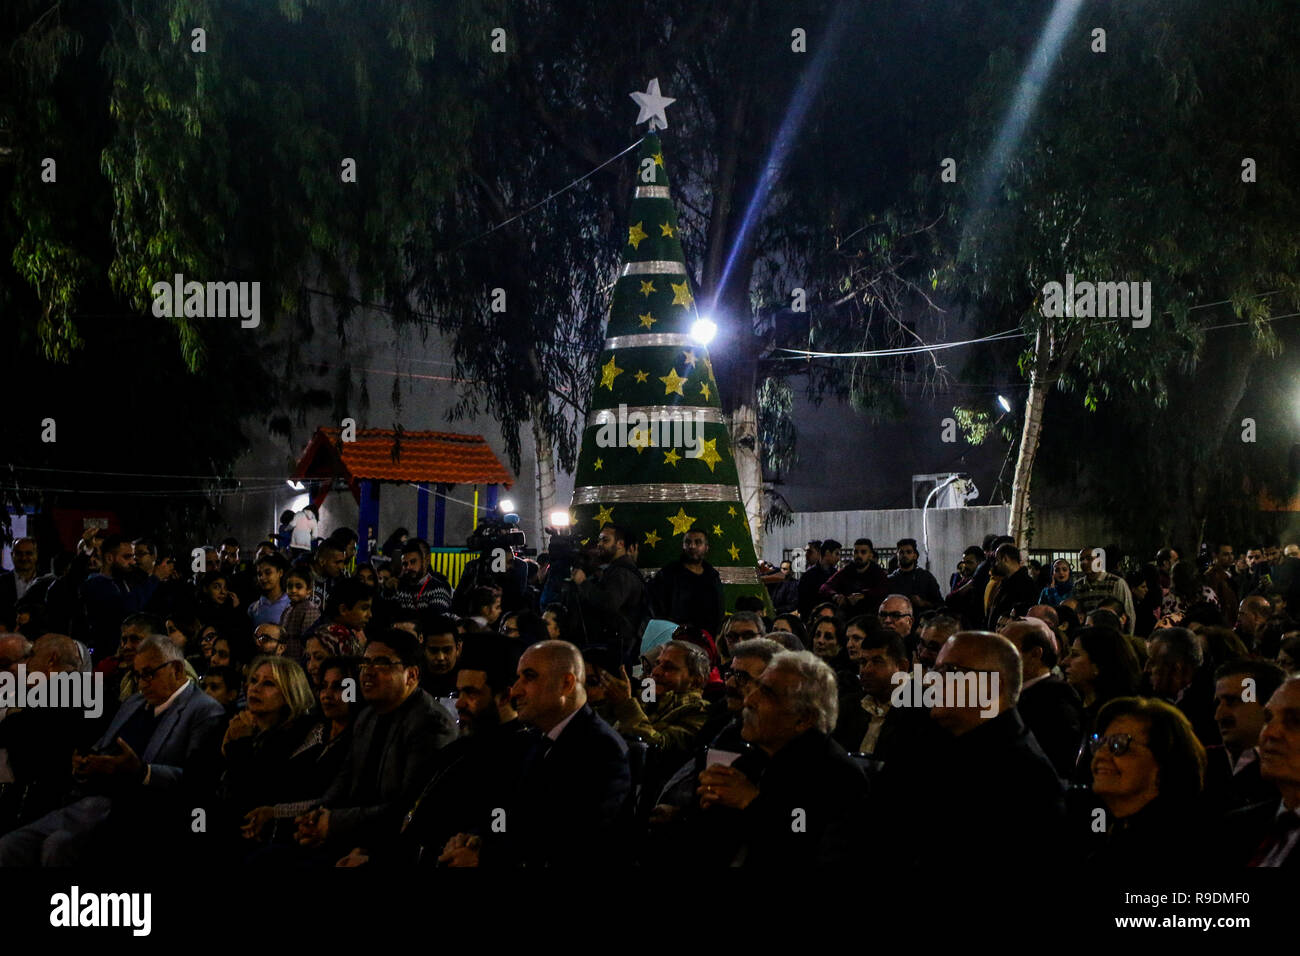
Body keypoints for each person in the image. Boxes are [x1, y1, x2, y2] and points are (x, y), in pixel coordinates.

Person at [0, 635, 226, 866]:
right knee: (9, 845)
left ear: (176, 669)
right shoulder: (134, 703)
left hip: (145, 812)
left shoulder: (204, 711)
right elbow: (102, 747)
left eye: (149, 674)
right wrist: (85, 763)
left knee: (57, 846)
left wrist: (142, 772)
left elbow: (198, 783)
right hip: (94, 802)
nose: (142, 684)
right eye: (137, 676)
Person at [438, 640, 631, 867]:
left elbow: (572, 844)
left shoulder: (601, 752)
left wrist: (486, 856)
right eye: (518, 677)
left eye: (529, 677)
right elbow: (505, 813)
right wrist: (475, 839)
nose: (516, 690)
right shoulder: (537, 740)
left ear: (566, 684)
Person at [886, 631, 1067, 867]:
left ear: (993, 687)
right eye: (935, 671)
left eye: (949, 671)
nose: (930, 681)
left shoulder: (1022, 777)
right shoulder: (935, 742)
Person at [693, 650, 871, 867]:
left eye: (767, 693)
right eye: (755, 687)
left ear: (803, 718)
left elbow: (806, 842)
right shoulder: (751, 762)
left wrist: (750, 802)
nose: (749, 700)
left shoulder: (837, 778)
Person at [292, 629, 456, 860]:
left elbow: (409, 808)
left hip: (390, 847)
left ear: (411, 675)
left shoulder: (431, 725)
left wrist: (333, 823)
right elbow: (346, 778)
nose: (368, 672)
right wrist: (317, 814)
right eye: (365, 662)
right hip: (350, 831)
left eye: (381, 663)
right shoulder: (367, 716)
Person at [379, 636, 532, 866]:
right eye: (458, 693)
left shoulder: (522, 757)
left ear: (505, 696)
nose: (459, 704)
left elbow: (500, 824)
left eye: (471, 693)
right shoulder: (458, 749)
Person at [1081, 697, 1207, 867]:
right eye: (1099, 743)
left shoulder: (1172, 847)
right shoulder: (1106, 828)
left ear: (1163, 764)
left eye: (1119, 744)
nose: (1100, 755)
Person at [598, 639, 711, 768]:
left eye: (669, 668)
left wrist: (626, 706)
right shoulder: (649, 696)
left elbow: (659, 751)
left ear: (696, 680)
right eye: (657, 664)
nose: (656, 672)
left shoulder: (698, 711)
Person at [1000, 617, 1083, 778]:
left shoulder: (1056, 699)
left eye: (1006, 650)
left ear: (1035, 654)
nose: (996, 657)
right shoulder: (1012, 692)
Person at [1203, 660, 1286, 813]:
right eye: (1218, 703)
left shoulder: (1286, 771)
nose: (1219, 715)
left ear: (1269, 706)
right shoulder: (1200, 762)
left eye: (1233, 701)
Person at [1065, 626, 1144, 778]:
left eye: (1075, 655)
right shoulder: (1078, 706)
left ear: (1098, 665)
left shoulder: (1117, 720)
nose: (1065, 661)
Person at [570, 523, 649, 665]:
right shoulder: (615, 570)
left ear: (620, 544)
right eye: (599, 540)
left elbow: (609, 603)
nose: (599, 544)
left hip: (619, 648)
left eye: (605, 540)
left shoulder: (622, 573)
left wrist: (583, 583)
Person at [1145, 627, 1218, 746]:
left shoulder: (1210, 705)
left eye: (1153, 663)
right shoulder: (1149, 693)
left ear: (1176, 669)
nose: (1146, 669)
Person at [648, 527, 725, 636]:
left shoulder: (712, 576)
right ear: (683, 546)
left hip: (706, 639)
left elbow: (718, 611)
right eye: (688, 542)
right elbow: (655, 607)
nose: (692, 546)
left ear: (706, 547)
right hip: (675, 639)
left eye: (698, 542)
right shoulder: (668, 574)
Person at [819, 538, 890, 615]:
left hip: (870, 617)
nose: (859, 555)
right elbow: (825, 587)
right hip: (848, 617)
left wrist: (863, 595)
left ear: (870, 555)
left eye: (863, 552)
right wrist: (835, 596)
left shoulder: (877, 572)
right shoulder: (847, 570)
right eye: (856, 552)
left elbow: (883, 590)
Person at [1072, 547, 1136, 626]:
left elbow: (1129, 614)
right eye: (1081, 559)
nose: (1084, 562)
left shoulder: (1116, 582)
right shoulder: (1078, 585)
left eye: (1089, 558)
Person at [886, 538, 943, 612]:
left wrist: (923, 603)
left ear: (915, 556)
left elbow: (940, 604)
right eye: (901, 552)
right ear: (897, 555)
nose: (905, 555)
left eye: (909, 552)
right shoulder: (890, 580)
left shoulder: (926, 577)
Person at [797, 539, 840, 619]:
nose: (838, 558)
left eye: (809, 552)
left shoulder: (835, 574)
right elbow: (802, 604)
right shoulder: (808, 575)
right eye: (836, 554)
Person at [421, 615, 462, 697]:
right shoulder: (413, 682)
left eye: (447, 650)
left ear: (458, 648)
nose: (441, 657)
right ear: (423, 649)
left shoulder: (468, 681)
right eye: (434, 650)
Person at [247, 552, 291, 628]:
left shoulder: (291, 604)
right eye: (259, 574)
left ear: (280, 573)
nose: (262, 578)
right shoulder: (253, 608)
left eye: (268, 573)